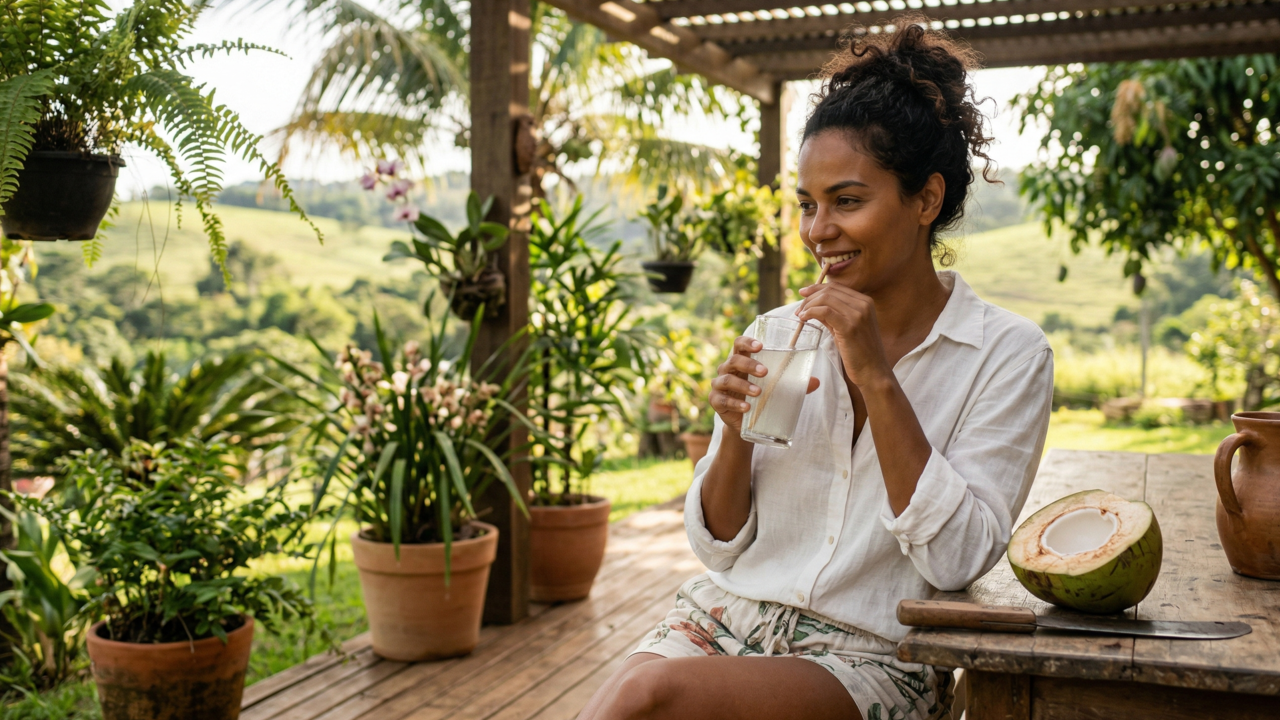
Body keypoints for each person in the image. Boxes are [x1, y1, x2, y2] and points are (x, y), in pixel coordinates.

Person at [578, 22, 1054, 720]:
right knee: (625, 697)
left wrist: (876, 376)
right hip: (723, 618)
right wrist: (733, 433)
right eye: (807, 204)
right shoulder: (778, 333)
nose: (816, 230)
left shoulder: (1006, 355)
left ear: (925, 200)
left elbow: (957, 558)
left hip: (873, 654)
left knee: (644, 697)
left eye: (847, 201)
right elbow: (720, 545)